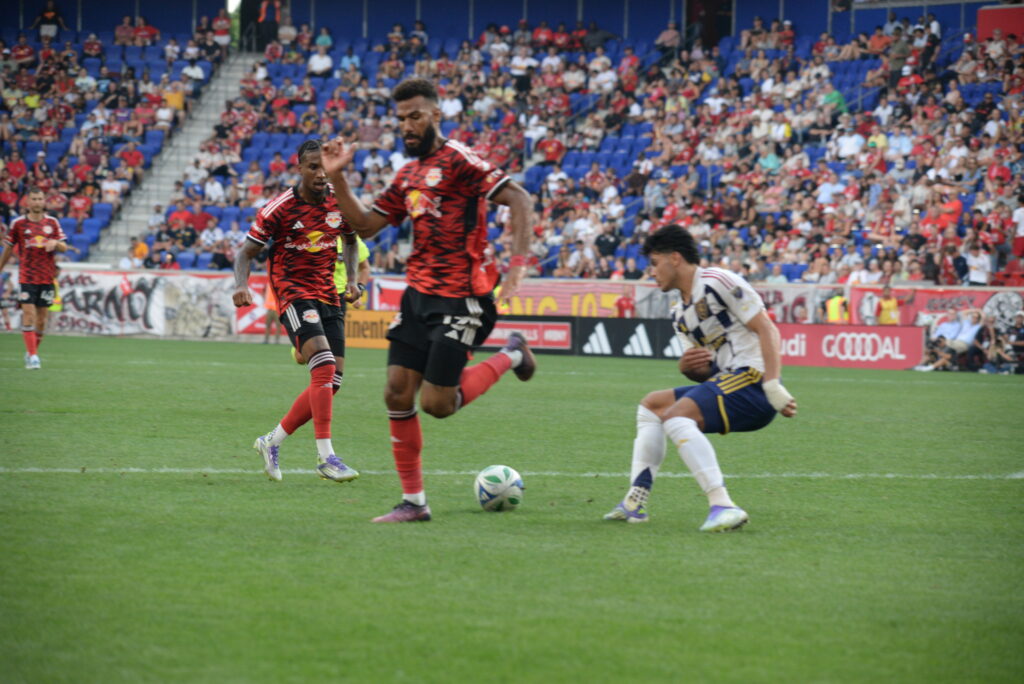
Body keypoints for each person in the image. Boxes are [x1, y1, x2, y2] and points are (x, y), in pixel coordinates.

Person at [320, 78, 537, 523]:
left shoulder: (460, 161)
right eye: (400, 119)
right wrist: (337, 175)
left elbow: (518, 198)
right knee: (397, 392)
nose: (407, 126)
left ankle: (512, 355)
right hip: (418, 296)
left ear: (436, 115)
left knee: (439, 404)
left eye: (415, 116)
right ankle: (414, 503)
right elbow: (364, 225)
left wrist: (517, 266)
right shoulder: (408, 175)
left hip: (464, 298)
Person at [604, 225, 797, 532]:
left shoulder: (718, 281)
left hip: (752, 380)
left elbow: (767, 329)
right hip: (728, 383)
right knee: (652, 405)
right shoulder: (680, 313)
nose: (651, 272)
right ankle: (634, 502)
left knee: (676, 416)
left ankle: (723, 505)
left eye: (654, 263)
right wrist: (689, 369)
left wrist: (773, 385)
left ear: (675, 258)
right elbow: (706, 373)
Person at [232, 140, 362, 484]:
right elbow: (245, 253)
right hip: (293, 292)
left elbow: (350, 240)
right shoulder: (280, 208)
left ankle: (271, 442)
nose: (320, 173)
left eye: (324, 167)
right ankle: (326, 457)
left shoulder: (339, 201)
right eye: (312, 167)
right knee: (324, 363)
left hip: (329, 294)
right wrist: (241, 284)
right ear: (299, 168)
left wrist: (351, 280)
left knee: (332, 381)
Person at [0, 187, 68, 369]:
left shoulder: (52, 223)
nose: (37, 202)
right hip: (27, 276)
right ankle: (33, 356)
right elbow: (8, 248)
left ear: (44, 201)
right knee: (29, 314)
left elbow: (64, 247)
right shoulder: (18, 224)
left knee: (41, 319)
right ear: (27, 202)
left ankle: (31, 351)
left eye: (40, 199)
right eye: (34, 199)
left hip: (46, 277)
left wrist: (56, 244)